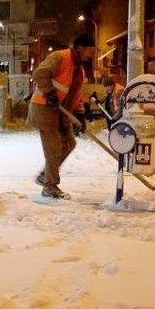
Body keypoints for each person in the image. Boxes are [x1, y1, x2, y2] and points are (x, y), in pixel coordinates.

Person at [27, 34, 95, 199]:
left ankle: (46, 175)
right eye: (90, 51)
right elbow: (39, 74)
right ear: (80, 48)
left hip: (61, 110)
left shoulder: (79, 69)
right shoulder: (60, 57)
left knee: (70, 143)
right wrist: (50, 94)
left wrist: (80, 116)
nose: (92, 54)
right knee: (54, 148)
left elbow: (75, 94)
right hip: (44, 107)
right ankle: (50, 186)